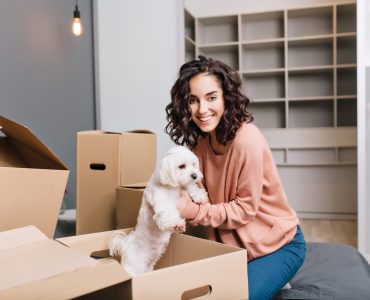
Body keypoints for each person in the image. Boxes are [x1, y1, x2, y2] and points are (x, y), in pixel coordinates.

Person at [165, 55, 306, 300]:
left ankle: (274, 275)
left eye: (211, 98)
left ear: (226, 98)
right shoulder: (200, 146)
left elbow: (244, 210)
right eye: (193, 101)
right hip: (235, 252)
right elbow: (201, 202)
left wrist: (192, 211)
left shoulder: (247, 139)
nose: (202, 110)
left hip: (279, 246)